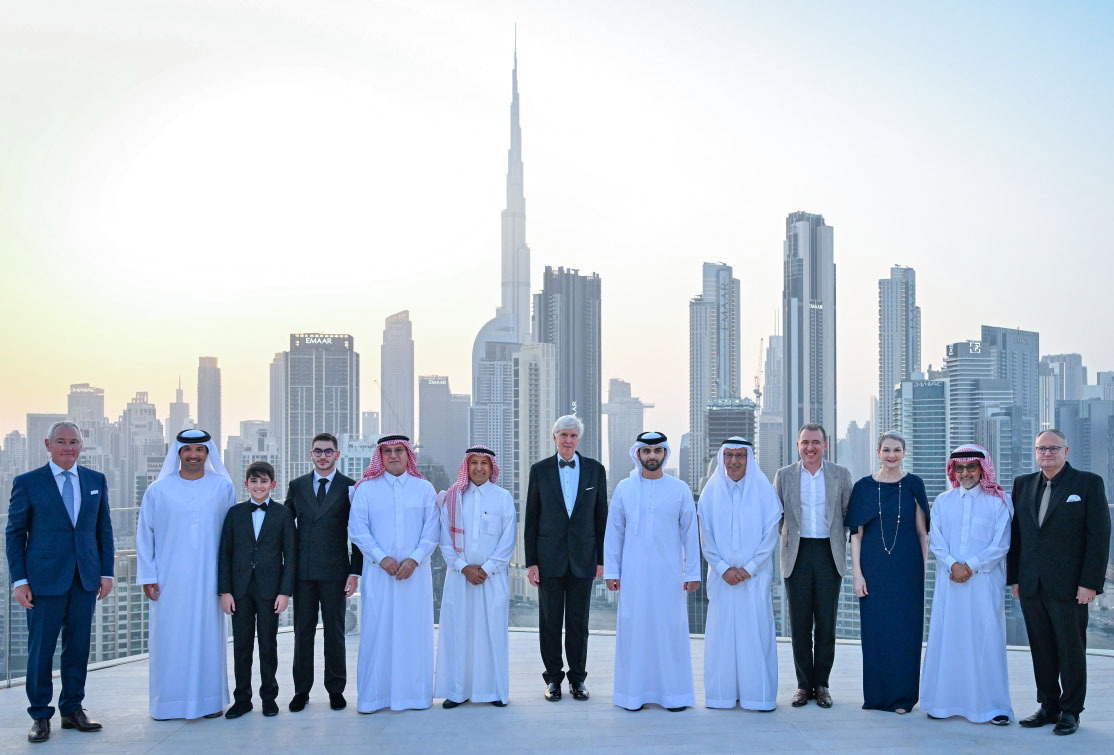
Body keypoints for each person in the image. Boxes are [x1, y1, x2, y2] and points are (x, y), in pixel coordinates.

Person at [6, 420, 114, 743]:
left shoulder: (95, 480)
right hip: (43, 581)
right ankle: (40, 715)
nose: (68, 448)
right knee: (41, 650)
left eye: (74, 442)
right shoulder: (29, 482)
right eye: (61, 442)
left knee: (78, 647)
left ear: (81, 446)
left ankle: (72, 709)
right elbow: (15, 533)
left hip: (85, 578)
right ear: (48, 445)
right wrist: (20, 581)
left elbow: (103, 529)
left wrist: (106, 572)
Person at [1007, 429, 1110, 736]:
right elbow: (1017, 535)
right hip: (1031, 584)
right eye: (1042, 448)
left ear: (1066, 451)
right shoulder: (1023, 484)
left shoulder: (1088, 483)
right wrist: (1015, 578)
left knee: (1071, 650)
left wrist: (1090, 583)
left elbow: (1099, 537)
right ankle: (1048, 706)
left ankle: (1071, 711)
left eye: (1054, 448)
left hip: (1071, 586)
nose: (1047, 453)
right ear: (1035, 452)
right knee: (1041, 649)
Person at [136, 428, 236, 720]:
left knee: (208, 639)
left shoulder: (222, 487)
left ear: (207, 453)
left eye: (199, 450)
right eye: (188, 450)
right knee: (170, 640)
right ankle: (168, 704)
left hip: (210, 580)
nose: (194, 455)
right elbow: (145, 535)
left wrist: (228, 581)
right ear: (178, 453)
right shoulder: (158, 490)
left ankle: (209, 702)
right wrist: (148, 576)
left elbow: (232, 535)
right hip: (169, 581)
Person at [604, 432, 700, 712]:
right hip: (633, 576)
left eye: (657, 451)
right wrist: (612, 570)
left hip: (669, 575)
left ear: (665, 454)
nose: (652, 456)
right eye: (646, 451)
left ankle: (675, 696)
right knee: (635, 633)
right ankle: (632, 696)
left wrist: (692, 573)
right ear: (638, 454)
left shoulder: (679, 489)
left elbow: (690, 534)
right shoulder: (624, 489)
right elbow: (614, 532)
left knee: (670, 633)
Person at [920, 444, 1013, 725]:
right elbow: (936, 540)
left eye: (970, 467)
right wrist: (953, 565)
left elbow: (1001, 544)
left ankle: (993, 707)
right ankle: (943, 704)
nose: (964, 473)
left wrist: (969, 566)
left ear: (982, 469)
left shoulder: (999, 502)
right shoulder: (943, 501)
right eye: (959, 468)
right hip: (950, 583)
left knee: (986, 642)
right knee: (949, 639)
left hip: (984, 583)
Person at [347, 434, 439, 712]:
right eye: (387, 451)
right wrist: (381, 558)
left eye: (399, 450)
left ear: (408, 454)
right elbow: (357, 530)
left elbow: (432, 530)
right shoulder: (366, 489)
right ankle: (374, 698)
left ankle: (414, 697)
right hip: (379, 575)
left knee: (414, 634)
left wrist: (414, 560)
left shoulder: (424, 488)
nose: (393, 455)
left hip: (415, 575)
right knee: (378, 634)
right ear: (380, 456)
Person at [524, 415, 608, 702]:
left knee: (578, 624)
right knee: (549, 624)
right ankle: (553, 680)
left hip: (583, 559)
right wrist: (531, 562)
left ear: (578, 439)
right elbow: (531, 518)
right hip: (549, 559)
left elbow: (601, 517)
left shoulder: (596, 470)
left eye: (573, 435)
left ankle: (578, 679)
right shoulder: (540, 470)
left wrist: (601, 559)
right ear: (554, 438)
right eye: (563, 435)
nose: (568, 440)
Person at [847, 431, 929, 714]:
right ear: (878, 452)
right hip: (873, 569)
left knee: (905, 632)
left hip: (907, 569)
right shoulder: (863, 487)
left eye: (896, 450)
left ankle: (902, 699)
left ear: (904, 452)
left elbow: (922, 533)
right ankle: (877, 696)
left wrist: (922, 571)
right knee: (875, 631)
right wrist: (857, 574)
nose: (891, 455)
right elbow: (855, 535)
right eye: (886, 450)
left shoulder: (914, 484)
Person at [699, 437, 782, 711]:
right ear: (722, 457)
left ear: (749, 458)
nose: (734, 461)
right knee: (721, 637)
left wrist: (749, 569)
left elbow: (771, 535)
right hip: (722, 579)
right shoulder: (711, 492)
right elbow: (705, 538)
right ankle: (721, 695)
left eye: (740, 455)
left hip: (754, 579)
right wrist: (724, 569)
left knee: (755, 636)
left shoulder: (764, 491)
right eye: (729, 455)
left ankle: (757, 696)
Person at [773, 423, 853, 708]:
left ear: (825, 445)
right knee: (800, 624)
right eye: (805, 442)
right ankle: (803, 685)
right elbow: (778, 516)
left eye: (816, 442)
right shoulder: (783, 476)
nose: (810, 447)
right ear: (798, 445)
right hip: (797, 553)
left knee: (826, 624)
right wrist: (792, 542)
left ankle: (822, 685)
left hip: (829, 553)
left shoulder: (840, 475)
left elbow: (847, 515)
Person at [434, 446, 517, 708]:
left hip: (492, 578)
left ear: (492, 468)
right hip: (460, 578)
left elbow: (508, 539)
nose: (479, 468)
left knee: (492, 633)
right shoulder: (453, 498)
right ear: (466, 467)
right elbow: (444, 539)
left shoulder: (503, 498)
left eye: (484, 463)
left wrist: (487, 569)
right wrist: (463, 567)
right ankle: (457, 691)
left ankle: (493, 691)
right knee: (459, 633)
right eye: (474, 463)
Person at [285, 432, 361, 712]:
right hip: (303, 573)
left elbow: (358, 532)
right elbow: (285, 529)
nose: (323, 456)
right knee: (302, 634)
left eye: (328, 451)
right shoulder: (297, 486)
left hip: (336, 572)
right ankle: (301, 691)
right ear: (311, 454)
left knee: (335, 633)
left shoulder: (350, 487)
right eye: (318, 451)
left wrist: (355, 572)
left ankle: (335, 690)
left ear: (337, 455)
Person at [218, 461, 296, 719]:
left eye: (264, 481)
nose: (259, 486)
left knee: (268, 645)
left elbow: (290, 555)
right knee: (241, 646)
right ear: (246, 484)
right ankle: (242, 700)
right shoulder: (235, 513)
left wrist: (284, 592)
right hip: (239, 590)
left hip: (270, 590)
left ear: (273, 484)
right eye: (254, 481)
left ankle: (269, 698)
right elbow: (225, 554)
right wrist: (225, 591)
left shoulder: (283, 514)